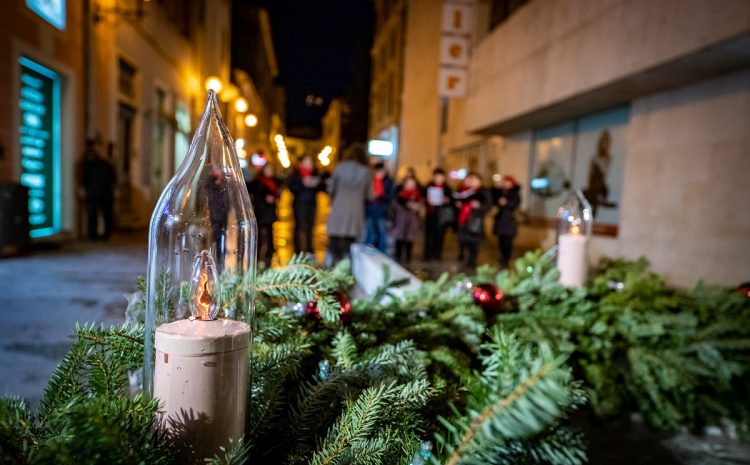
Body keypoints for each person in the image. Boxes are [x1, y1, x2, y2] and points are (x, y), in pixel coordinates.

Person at [326, 143, 372, 264]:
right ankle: (347, 265)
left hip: (339, 207)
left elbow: (331, 188)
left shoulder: (339, 167)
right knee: (350, 240)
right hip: (356, 209)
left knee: (334, 238)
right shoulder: (366, 171)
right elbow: (369, 194)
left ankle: (332, 263)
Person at [287, 155, 324, 255]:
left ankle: (309, 248)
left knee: (310, 226)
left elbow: (322, 187)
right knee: (299, 226)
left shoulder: (316, 173)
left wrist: (315, 184)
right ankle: (297, 249)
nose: (309, 164)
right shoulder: (296, 174)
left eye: (310, 161)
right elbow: (291, 187)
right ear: (302, 163)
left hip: (311, 203)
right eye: (307, 161)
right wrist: (302, 183)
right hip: (300, 203)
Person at [453, 172, 490, 268]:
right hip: (465, 220)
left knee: (474, 242)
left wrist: (479, 206)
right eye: (471, 179)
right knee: (465, 241)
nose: (472, 181)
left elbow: (487, 206)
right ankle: (466, 258)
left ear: (480, 182)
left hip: (475, 221)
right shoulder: (467, 191)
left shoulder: (483, 192)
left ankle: (472, 261)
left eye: (475, 180)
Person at [82, 138, 116, 241]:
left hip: (105, 192)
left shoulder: (107, 164)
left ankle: (106, 234)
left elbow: (113, 178)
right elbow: (85, 178)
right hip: (94, 192)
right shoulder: (89, 163)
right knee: (92, 214)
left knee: (107, 215)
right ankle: (92, 235)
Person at [247, 163, 281, 266]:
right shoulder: (258, 181)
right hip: (261, 212)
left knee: (270, 232)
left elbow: (278, 192)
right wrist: (265, 198)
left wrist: (275, 196)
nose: (270, 171)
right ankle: (258, 252)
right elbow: (255, 194)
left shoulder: (273, 181)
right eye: (268, 169)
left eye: (271, 169)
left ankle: (270, 252)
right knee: (261, 233)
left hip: (270, 212)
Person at [584, 130, 617, 217]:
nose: (604, 145)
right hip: (593, 186)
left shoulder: (608, 159)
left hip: (601, 187)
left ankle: (596, 201)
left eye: (606, 142)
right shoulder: (594, 157)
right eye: (603, 142)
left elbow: (606, 173)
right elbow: (590, 175)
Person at [491, 175, 521, 268]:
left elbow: (515, 204)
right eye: (505, 182)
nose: (506, 184)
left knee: (507, 242)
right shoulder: (500, 192)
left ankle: (506, 259)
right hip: (500, 220)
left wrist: (507, 203)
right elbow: (493, 198)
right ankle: (502, 257)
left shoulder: (515, 193)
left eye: (508, 182)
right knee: (501, 241)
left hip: (509, 221)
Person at [423, 168, 453, 261]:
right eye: (437, 176)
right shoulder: (428, 186)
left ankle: (437, 254)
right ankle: (427, 254)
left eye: (441, 177)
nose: (439, 178)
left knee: (439, 235)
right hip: (430, 214)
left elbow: (452, 201)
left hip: (441, 215)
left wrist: (446, 200)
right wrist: (427, 201)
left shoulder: (447, 188)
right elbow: (423, 197)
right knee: (429, 235)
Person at [365, 161, 394, 253]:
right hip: (370, 210)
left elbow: (390, 196)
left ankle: (381, 252)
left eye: (380, 171)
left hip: (381, 211)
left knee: (381, 232)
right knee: (370, 232)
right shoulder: (370, 181)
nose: (379, 174)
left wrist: (379, 196)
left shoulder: (388, 182)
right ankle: (368, 251)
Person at [391, 175, 422, 263]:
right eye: (408, 183)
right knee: (399, 237)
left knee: (410, 238)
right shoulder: (400, 193)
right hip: (401, 219)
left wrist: (416, 206)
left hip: (412, 220)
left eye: (412, 184)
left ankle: (408, 258)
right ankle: (398, 256)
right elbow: (397, 202)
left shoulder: (417, 194)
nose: (410, 185)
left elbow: (420, 205)